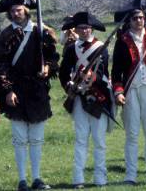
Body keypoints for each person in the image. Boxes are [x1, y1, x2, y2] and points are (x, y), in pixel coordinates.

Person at [0, 0, 59, 191]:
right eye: (12, 11)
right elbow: (0, 65)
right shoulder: (5, 36)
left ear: (26, 10)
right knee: (20, 138)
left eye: (19, 9)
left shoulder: (42, 32)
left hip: (37, 90)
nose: (16, 13)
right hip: (16, 89)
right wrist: (7, 90)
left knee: (37, 138)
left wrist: (47, 67)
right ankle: (22, 180)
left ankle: (37, 178)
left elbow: (53, 58)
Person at [111, 0, 146, 186]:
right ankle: (130, 175)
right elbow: (116, 71)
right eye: (135, 18)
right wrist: (118, 91)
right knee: (132, 135)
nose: (139, 21)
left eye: (141, 17)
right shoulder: (122, 41)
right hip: (131, 91)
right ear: (129, 21)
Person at [59, 11, 112, 188]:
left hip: (99, 98)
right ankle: (78, 178)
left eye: (88, 28)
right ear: (76, 29)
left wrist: (92, 78)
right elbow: (63, 72)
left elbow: (103, 72)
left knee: (99, 141)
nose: (85, 31)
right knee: (81, 139)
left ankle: (100, 178)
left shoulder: (101, 48)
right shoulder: (71, 48)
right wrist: (70, 86)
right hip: (79, 99)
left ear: (92, 29)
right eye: (81, 28)